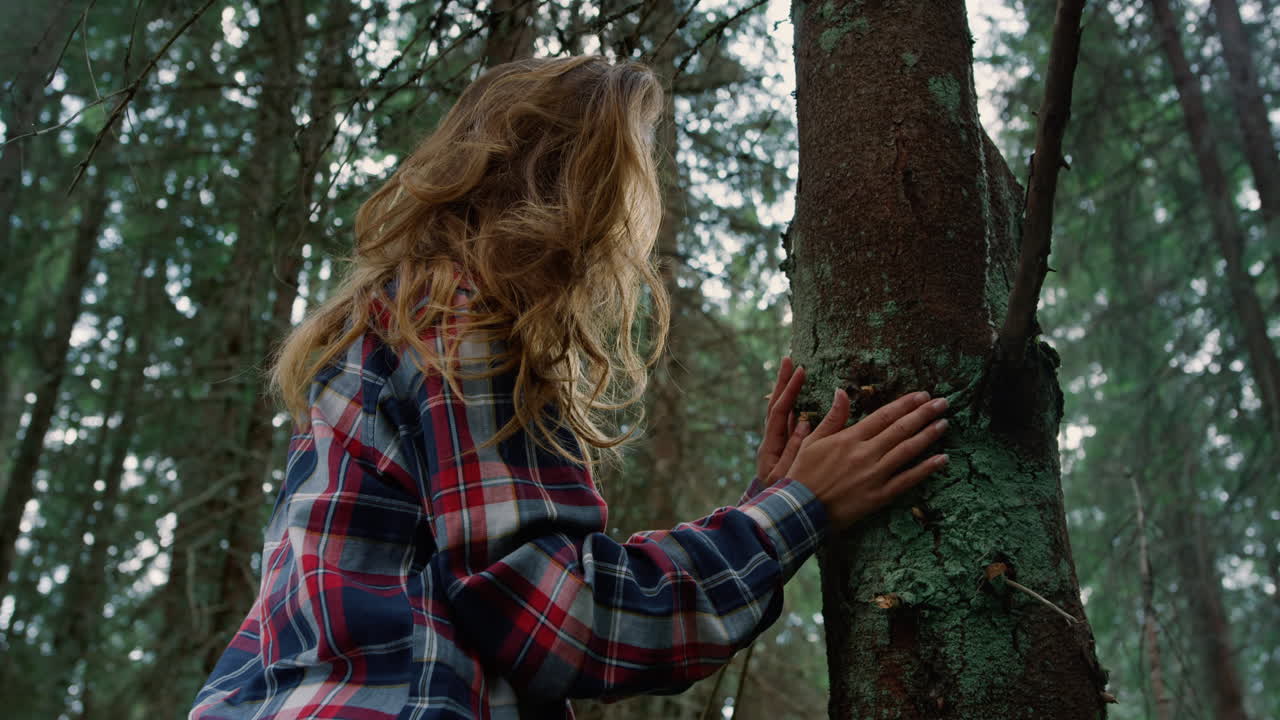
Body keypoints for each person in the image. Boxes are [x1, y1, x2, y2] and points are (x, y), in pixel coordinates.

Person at [189, 55, 950, 720]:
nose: (629, 221)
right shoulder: (456, 311)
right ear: (570, 184)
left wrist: (767, 500)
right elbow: (558, 618)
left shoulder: (393, 320)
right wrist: (796, 512)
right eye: (626, 177)